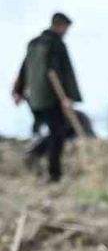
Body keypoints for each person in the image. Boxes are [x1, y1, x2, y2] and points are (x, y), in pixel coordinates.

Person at [12, 12, 80, 183]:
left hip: (34, 98)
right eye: (65, 28)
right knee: (59, 132)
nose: (66, 31)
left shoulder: (34, 44)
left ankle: (34, 154)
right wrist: (65, 97)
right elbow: (54, 71)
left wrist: (18, 91)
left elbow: (24, 67)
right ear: (60, 25)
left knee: (55, 130)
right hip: (51, 97)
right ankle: (53, 174)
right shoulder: (55, 44)